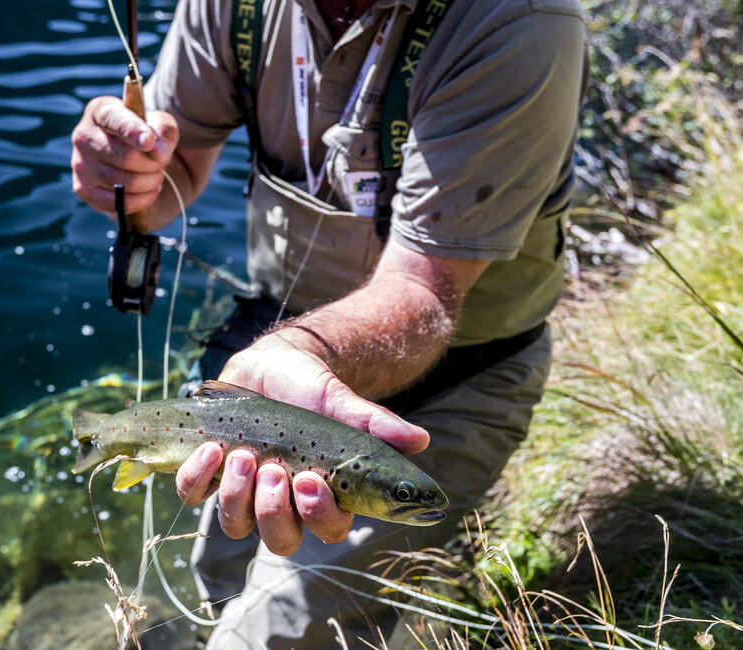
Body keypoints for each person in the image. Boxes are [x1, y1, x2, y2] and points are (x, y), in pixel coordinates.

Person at [70, 0, 587, 645]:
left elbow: (423, 292)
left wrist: (299, 347)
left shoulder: (520, 24)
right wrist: (129, 170)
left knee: (265, 637)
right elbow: (176, 171)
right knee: (216, 574)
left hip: (457, 377)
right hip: (270, 379)